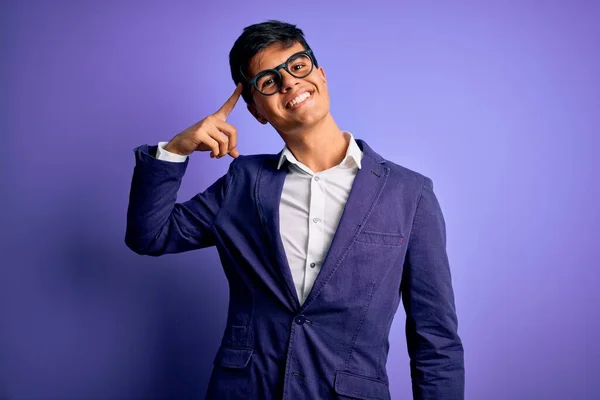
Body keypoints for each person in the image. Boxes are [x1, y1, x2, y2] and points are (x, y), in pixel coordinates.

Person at [125, 20, 464, 400]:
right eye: (268, 81)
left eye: (297, 65)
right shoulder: (243, 182)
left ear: (320, 73)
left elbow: (435, 337)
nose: (288, 82)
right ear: (256, 110)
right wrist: (175, 150)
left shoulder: (409, 193)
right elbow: (149, 235)